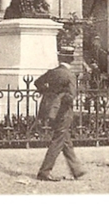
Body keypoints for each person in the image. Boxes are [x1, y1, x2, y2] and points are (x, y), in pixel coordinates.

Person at [34, 53, 85, 181]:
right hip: (63, 112)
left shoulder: (52, 72)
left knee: (65, 139)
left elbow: (38, 82)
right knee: (58, 140)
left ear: (60, 59)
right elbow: (71, 96)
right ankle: (44, 171)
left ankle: (76, 169)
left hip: (51, 111)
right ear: (71, 60)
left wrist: (48, 93)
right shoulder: (70, 75)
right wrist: (63, 100)